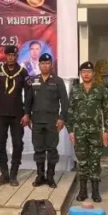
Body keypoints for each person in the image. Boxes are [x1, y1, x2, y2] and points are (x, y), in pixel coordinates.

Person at [67, 61, 108, 202]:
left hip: (95, 132)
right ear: (80, 74)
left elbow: (107, 111)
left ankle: (95, 191)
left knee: (95, 161)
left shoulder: (101, 90)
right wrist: (70, 131)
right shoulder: (75, 90)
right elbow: (70, 110)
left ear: (93, 73)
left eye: (89, 72)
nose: (86, 74)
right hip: (79, 132)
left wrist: (107, 130)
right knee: (82, 161)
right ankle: (83, 190)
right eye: (83, 72)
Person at [24, 53, 69, 188]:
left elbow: (65, 101)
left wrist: (62, 118)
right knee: (38, 149)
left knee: (52, 149)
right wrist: (27, 115)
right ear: (39, 65)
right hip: (37, 121)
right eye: (43, 63)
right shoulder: (33, 80)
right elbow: (28, 100)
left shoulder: (58, 81)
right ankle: (40, 176)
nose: (45, 66)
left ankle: (50, 176)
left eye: (48, 63)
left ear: (51, 65)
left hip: (52, 121)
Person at [0, 44, 30, 186]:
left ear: (16, 56)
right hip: (1, 113)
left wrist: (27, 113)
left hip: (17, 114)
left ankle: (13, 174)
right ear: (5, 56)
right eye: (9, 55)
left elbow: (29, 94)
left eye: (13, 55)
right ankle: (4, 173)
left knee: (17, 144)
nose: (11, 57)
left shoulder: (22, 72)